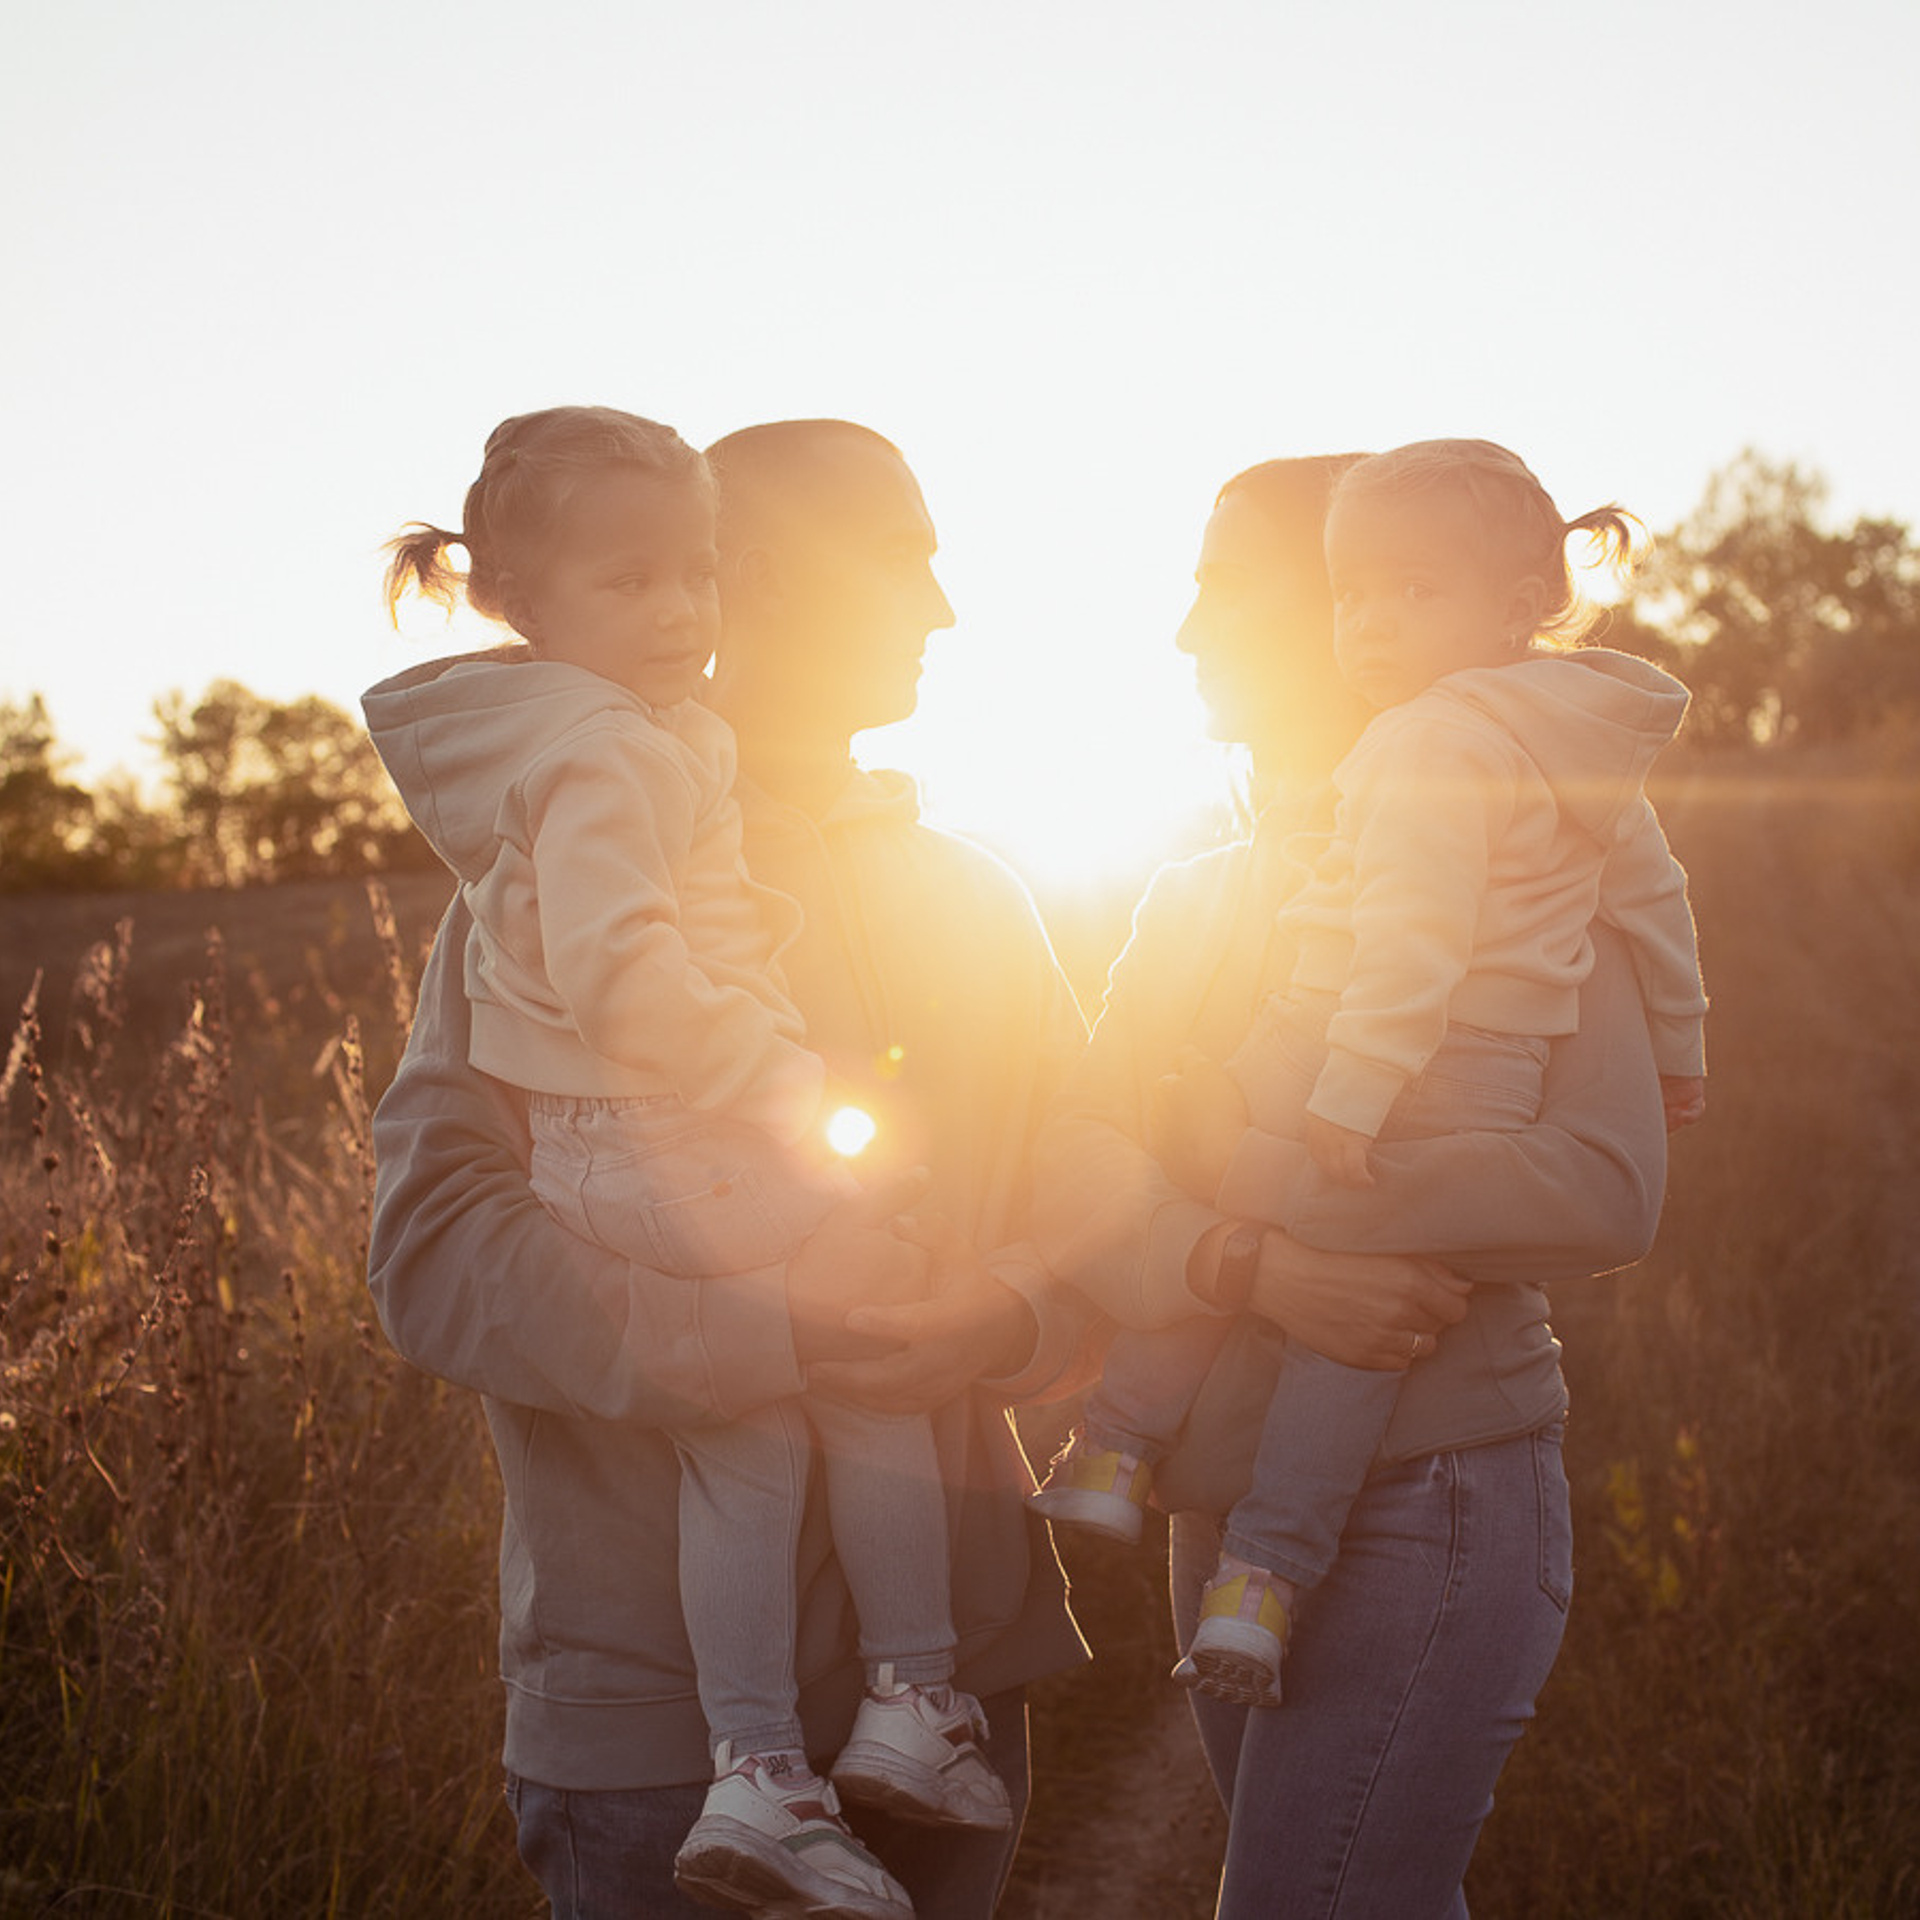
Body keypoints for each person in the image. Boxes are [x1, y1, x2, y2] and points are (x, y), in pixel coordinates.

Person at [366, 406, 1015, 1920]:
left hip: (952, 1706)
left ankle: (907, 1704)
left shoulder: (979, 894)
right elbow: (434, 1260)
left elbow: (1095, 1186)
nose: (943, 604)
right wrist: (768, 1338)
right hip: (654, 1746)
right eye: (904, 558)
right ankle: (769, 1770)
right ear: (773, 580)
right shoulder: (547, 877)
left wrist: (1022, 1315)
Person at [1031, 453, 1674, 1917]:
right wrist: (1250, 1266)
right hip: (1212, 1503)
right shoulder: (1187, 897)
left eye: (1221, 591)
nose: (1187, 632)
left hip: (1431, 1487)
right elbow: (1079, 1159)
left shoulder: (1534, 873)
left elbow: (1600, 1189)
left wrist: (1237, 1165)